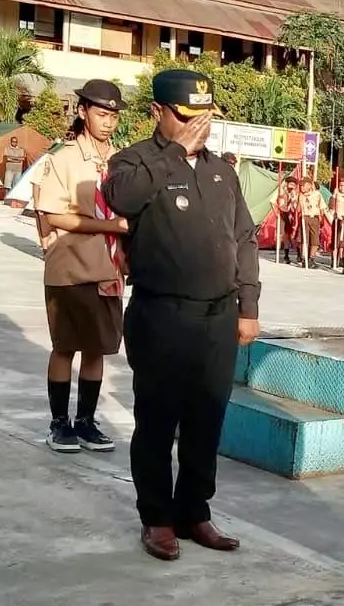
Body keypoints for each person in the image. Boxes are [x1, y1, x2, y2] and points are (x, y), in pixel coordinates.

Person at [103, 69, 260, 559]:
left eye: (206, 117)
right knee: (157, 422)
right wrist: (173, 155)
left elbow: (244, 239)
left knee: (206, 422)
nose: (200, 127)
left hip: (218, 317)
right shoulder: (134, 162)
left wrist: (248, 305)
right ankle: (157, 519)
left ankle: (195, 512)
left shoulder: (222, 171)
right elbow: (120, 199)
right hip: (161, 316)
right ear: (158, 112)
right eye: (187, 116)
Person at [33, 79, 128, 454]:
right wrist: (110, 226)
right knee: (65, 346)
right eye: (101, 114)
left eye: (113, 116)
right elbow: (55, 215)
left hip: (108, 268)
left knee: (97, 348)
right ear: (82, 111)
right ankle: (59, 424)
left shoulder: (120, 162)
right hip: (71, 267)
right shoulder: (64, 159)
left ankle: (86, 421)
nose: (108, 123)